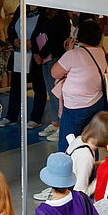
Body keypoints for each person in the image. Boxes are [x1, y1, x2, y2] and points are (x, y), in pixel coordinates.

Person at [51, 19, 108, 151]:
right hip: (96, 103)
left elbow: (54, 73)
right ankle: (89, 169)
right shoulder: (99, 52)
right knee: (90, 143)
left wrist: (68, 51)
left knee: (68, 146)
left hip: (74, 106)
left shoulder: (73, 54)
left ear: (80, 35)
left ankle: (68, 171)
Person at [0, 6, 46, 130]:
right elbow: (12, 27)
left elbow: (45, 32)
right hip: (19, 54)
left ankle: (36, 118)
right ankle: (11, 116)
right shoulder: (22, 8)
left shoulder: (43, 11)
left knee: (38, 87)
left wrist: (32, 43)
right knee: (16, 86)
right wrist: (14, 40)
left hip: (36, 55)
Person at [37, 9, 72, 141]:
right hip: (45, 58)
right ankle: (54, 123)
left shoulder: (61, 19)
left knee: (58, 93)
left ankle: (61, 126)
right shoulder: (44, 17)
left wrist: (41, 54)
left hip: (55, 57)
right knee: (51, 93)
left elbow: (54, 40)